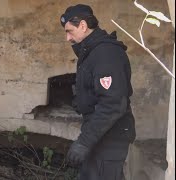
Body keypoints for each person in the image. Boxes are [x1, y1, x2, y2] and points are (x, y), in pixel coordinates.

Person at [60, 4, 136, 180]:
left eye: (70, 31)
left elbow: (113, 104)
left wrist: (84, 142)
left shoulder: (106, 54)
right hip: (99, 134)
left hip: (111, 137)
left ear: (83, 25)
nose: (67, 38)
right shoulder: (92, 52)